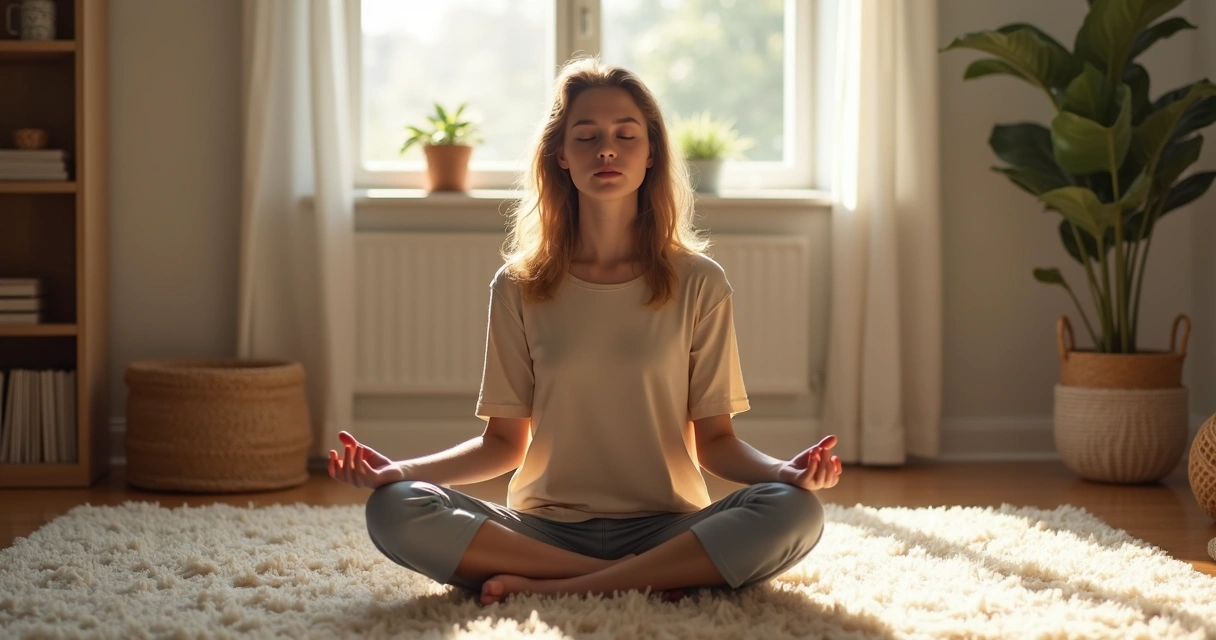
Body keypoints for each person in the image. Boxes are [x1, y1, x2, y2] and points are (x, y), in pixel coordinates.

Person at [329, 56, 842, 606]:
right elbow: (503, 444)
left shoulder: (700, 282)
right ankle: (643, 578)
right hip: (542, 528)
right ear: (561, 156)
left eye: (626, 135)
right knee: (394, 507)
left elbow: (715, 442)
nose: (607, 149)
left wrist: (785, 472)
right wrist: (399, 470)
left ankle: (564, 586)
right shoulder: (519, 285)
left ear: (651, 157)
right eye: (587, 135)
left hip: (666, 525)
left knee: (794, 509)